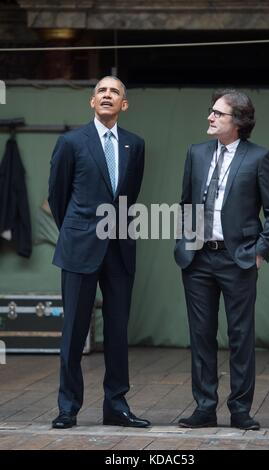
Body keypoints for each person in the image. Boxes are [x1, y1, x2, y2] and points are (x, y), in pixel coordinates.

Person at [174, 89, 269, 430]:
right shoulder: (196, 153)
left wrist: (259, 251)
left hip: (238, 260)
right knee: (201, 336)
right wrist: (183, 242)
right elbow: (185, 204)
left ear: (238, 121)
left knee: (240, 336)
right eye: (211, 111)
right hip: (197, 260)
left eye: (218, 113)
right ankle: (205, 408)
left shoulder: (259, 157)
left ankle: (240, 410)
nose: (210, 117)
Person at [48, 76, 150, 429]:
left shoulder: (135, 145)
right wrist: (78, 231)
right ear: (92, 102)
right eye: (101, 91)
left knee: (118, 331)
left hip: (119, 248)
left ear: (124, 104)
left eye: (115, 92)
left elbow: (129, 195)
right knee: (74, 330)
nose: (108, 95)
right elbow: (59, 197)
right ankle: (68, 407)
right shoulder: (71, 142)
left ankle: (116, 405)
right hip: (79, 248)